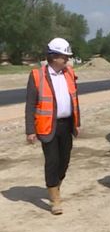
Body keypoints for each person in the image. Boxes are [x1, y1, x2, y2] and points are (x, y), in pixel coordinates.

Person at [25, 37, 80, 215]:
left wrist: (77, 123)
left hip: (67, 125)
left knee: (64, 161)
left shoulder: (69, 73)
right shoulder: (37, 75)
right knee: (52, 161)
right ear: (54, 56)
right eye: (64, 56)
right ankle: (55, 199)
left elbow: (74, 100)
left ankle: (55, 185)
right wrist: (30, 130)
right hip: (47, 126)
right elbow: (30, 105)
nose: (66, 59)